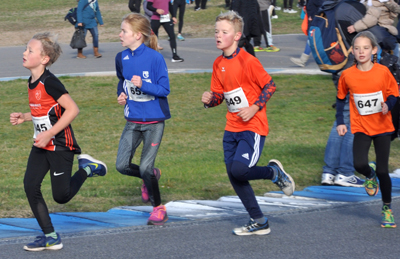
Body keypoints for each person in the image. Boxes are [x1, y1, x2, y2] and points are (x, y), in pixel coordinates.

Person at [9, 32, 107, 251]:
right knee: (30, 185)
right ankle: (50, 236)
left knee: (61, 196)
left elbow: (72, 109)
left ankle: (89, 169)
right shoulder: (32, 80)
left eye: (30, 50)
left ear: (44, 59)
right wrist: (24, 117)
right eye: (26, 48)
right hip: (41, 143)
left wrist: (49, 133)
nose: (24, 53)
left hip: (61, 145)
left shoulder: (50, 82)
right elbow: (45, 110)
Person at [201, 11, 295, 236]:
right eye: (216, 31)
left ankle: (274, 173)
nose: (218, 35)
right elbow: (219, 96)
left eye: (224, 32)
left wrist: (253, 108)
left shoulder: (248, 60)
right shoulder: (218, 64)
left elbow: (270, 86)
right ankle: (259, 221)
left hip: (252, 127)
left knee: (240, 169)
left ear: (237, 36)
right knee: (235, 175)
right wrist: (209, 101)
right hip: (231, 128)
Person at [336, 31, 399, 227]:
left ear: (374, 50)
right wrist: (340, 121)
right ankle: (368, 175)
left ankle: (387, 208)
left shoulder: (382, 71)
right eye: (357, 48)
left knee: (383, 170)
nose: (361, 51)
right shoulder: (347, 75)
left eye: (365, 48)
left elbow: (394, 93)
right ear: (352, 51)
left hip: (382, 127)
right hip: (361, 126)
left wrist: (388, 104)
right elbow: (340, 99)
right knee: (358, 164)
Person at [115, 13, 171, 226]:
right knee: (121, 166)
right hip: (133, 120)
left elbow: (165, 89)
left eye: (124, 31)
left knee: (146, 167)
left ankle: (159, 208)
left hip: (154, 121)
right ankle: (150, 176)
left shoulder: (155, 58)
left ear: (138, 35)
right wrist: (121, 94)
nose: (120, 35)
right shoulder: (121, 58)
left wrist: (143, 85)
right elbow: (122, 81)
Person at [321, 95, 364, 187]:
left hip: (345, 83)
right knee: (357, 120)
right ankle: (345, 173)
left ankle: (329, 173)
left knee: (343, 119)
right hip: (363, 85)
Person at [290, 0, 325, 67]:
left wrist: (312, 16)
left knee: (312, 39)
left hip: (317, 21)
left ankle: (303, 60)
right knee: (312, 39)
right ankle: (303, 60)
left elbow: (323, 6)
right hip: (315, 21)